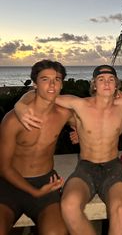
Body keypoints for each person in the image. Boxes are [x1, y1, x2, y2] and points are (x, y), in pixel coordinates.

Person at [15, 64, 122, 235]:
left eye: (111, 80)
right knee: (69, 205)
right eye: (101, 80)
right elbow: (43, 94)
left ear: (117, 85)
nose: (107, 83)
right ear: (94, 84)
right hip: (86, 167)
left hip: (113, 168)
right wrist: (20, 106)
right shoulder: (79, 104)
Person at [0, 60, 76, 235]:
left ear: (62, 84)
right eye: (45, 79)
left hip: (46, 182)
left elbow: (91, 121)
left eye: (57, 79)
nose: (52, 84)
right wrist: (34, 192)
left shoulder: (64, 114)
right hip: (9, 184)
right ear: (35, 83)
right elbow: (3, 168)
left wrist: (79, 132)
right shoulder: (13, 120)